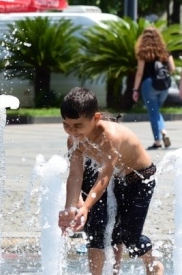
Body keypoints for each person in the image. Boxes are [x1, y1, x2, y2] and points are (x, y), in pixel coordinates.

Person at [58, 87, 163, 275]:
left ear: (96, 118)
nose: (72, 131)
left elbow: (104, 176)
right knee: (98, 229)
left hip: (139, 178)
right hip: (113, 177)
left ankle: (152, 262)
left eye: (78, 125)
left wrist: (86, 207)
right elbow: (75, 175)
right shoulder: (74, 140)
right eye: (66, 124)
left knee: (130, 237)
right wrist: (70, 208)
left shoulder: (110, 137)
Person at [132, 26, 175, 150]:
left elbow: (140, 73)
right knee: (156, 111)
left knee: (153, 113)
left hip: (149, 85)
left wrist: (135, 89)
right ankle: (164, 132)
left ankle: (157, 141)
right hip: (164, 85)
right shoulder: (165, 51)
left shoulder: (143, 52)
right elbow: (172, 68)